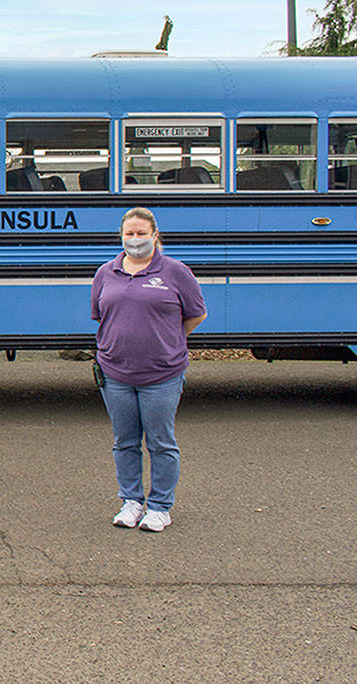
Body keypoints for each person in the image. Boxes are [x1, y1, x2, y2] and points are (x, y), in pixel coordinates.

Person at [91, 207, 206, 533]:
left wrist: (168, 341)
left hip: (162, 375)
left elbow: (196, 314)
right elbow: (101, 316)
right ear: (121, 236)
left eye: (142, 234)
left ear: (155, 236)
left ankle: (159, 507)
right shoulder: (106, 273)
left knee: (160, 442)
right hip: (116, 375)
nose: (135, 240)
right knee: (124, 441)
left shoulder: (175, 272)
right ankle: (130, 501)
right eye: (130, 233)